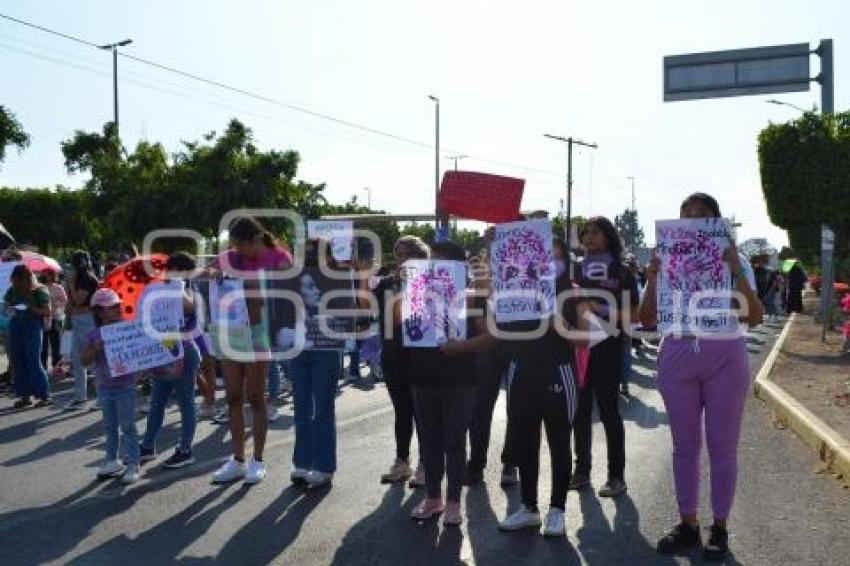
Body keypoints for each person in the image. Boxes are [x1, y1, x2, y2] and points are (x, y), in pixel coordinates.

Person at [639, 192, 763, 561]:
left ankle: (719, 528)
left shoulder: (736, 260)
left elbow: (753, 316)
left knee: (723, 446)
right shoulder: (664, 260)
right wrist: (651, 279)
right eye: (686, 215)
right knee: (684, 445)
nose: (694, 220)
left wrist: (734, 267)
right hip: (677, 352)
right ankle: (688, 524)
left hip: (724, 352)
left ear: (717, 222)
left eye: (703, 215)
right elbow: (646, 320)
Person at [488, 237, 590, 537]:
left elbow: (585, 339)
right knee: (525, 442)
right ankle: (529, 508)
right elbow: (494, 326)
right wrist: (497, 291)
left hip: (559, 372)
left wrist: (558, 324)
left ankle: (557, 510)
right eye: (546, 258)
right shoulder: (515, 288)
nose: (550, 264)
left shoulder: (574, 294)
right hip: (522, 371)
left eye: (557, 258)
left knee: (559, 442)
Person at [209, 216, 292, 485]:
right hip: (231, 332)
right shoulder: (231, 257)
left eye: (241, 245)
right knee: (233, 397)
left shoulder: (280, 258)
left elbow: (288, 295)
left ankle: (257, 460)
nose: (238, 251)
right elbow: (206, 273)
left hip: (259, 333)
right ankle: (237, 459)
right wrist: (213, 274)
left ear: (255, 239)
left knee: (256, 397)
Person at [403, 241, 479, 525]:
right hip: (423, 376)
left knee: (454, 442)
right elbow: (402, 325)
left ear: (458, 267)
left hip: (460, 379)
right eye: (430, 261)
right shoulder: (416, 291)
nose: (433, 267)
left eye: (440, 262)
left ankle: (454, 501)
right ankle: (433, 497)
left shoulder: (472, 297)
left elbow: (492, 338)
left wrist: (462, 346)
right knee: (430, 442)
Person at [570, 216, 639, 498]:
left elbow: (633, 316)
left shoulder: (622, 273)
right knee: (580, 411)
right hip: (577, 347)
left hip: (609, 347)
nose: (588, 237)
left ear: (608, 237)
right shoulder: (574, 270)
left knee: (609, 411)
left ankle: (616, 476)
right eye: (585, 233)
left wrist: (599, 307)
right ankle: (582, 470)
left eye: (594, 233)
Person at [369, 236, 429, 486]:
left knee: (422, 413)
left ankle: (427, 463)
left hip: (419, 357)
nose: (402, 260)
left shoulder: (429, 284)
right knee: (402, 411)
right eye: (399, 255)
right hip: (392, 356)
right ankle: (402, 461)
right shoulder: (386, 284)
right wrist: (363, 272)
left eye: (408, 255)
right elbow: (366, 306)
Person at [287, 239, 343, 490]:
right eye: (306, 256)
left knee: (322, 407)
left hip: (326, 348)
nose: (310, 260)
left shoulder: (338, 279)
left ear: (329, 258)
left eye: (315, 256)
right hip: (299, 348)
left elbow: (345, 315)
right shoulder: (292, 279)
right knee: (300, 407)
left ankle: (323, 467)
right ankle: (302, 462)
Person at [139, 252, 202, 469]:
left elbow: (189, 307)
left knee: (186, 401)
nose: (169, 272)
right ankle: (147, 446)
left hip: (184, 352)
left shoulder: (188, 290)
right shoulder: (155, 288)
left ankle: (185, 449)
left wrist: (179, 284)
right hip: (161, 352)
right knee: (157, 402)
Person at [464, 250, 518, 487]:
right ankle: (475, 465)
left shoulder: (519, 283)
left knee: (516, 408)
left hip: (518, 349)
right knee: (480, 409)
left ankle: (510, 463)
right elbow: (479, 323)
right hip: (487, 350)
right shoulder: (478, 287)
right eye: (489, 260)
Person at [81, 288, 142, 484]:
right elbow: (83, 361)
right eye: (111, 307)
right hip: (104, 387)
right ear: (99, 311)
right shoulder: (93, 335)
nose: (117, 309)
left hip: (126, 386)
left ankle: (133, 462)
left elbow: (140, 353)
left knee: (128, 425)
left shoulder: (127, 328)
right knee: (110, 427)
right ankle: (112, 460)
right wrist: (95, 349)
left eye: (118, 305)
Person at [3, 264, 52, 408]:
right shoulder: (13, 290)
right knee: (18, 360)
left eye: (20, 280)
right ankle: (24, 396)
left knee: (33, 360)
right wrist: (8, 308)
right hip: (16, 324)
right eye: (14, 280)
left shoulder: (40, 290)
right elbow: (6, 304)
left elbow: (47, 311)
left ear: (27, 278)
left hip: (32, 325)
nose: (16, 283)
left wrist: (32, 308)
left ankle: (44, 395)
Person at [64, 250, 100, 411]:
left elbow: (78, 301)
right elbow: (70, 305)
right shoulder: (79, 279)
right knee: (77, 359)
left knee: (91, 360)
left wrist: (70, 285)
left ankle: (101, 396)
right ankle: (80, 397)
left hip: (87, 320)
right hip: (79, 320)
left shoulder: (87, 279)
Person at [41, 269, 67, 376]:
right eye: (46, 274)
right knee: (43, 345)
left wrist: (55, 302)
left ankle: (57, 367)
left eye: (50, 274)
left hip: (55, 318)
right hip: (43, 318)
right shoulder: (40, 287)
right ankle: (42, 367)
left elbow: (65, 301)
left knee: (56, 343)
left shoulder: (58, 287)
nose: (48, 276)